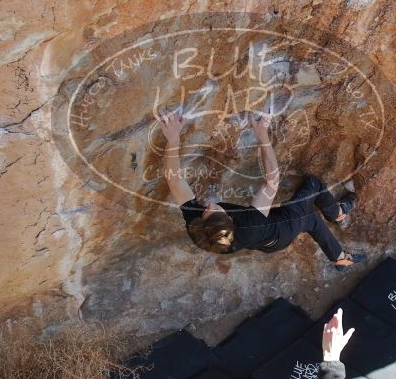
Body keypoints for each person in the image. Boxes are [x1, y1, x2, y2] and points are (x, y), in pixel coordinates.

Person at [156, 108, 364, 271]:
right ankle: (337, 213)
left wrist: (173, 139)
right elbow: (272, 180)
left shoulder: (200, 229)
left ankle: (339, 258)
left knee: (312, 219)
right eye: (216, 210)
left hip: (264, 240)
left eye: (207, 212)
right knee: (312, 186)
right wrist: (263, 134)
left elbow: (175, 181)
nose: (209, 206)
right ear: (232, 221)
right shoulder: (249, 224)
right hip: (280, 230)